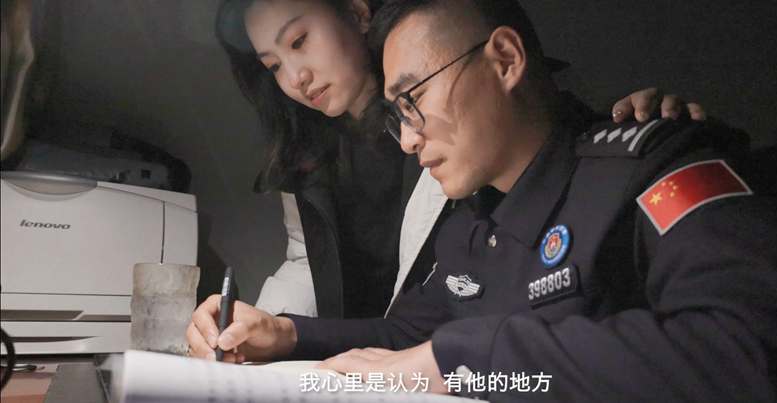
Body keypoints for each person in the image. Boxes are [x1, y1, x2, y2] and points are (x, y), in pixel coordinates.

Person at [189, 0, 777, 400]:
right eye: (396, 113)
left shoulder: (652, 170)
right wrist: (284, 334)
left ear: (504, 60)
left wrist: (467, 360)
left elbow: (754, 351)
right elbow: (408, 333)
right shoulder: (472, 224)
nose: (408, 140)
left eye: (414, 100)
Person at [209, 0, 705, 324]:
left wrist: (647, 129)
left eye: (299, 41)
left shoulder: (475, 119)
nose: (295, 77)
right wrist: (270, 328)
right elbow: (316, 267)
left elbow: (554, 140)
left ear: (356, 13)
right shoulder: (306, 156)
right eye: (273, 66)